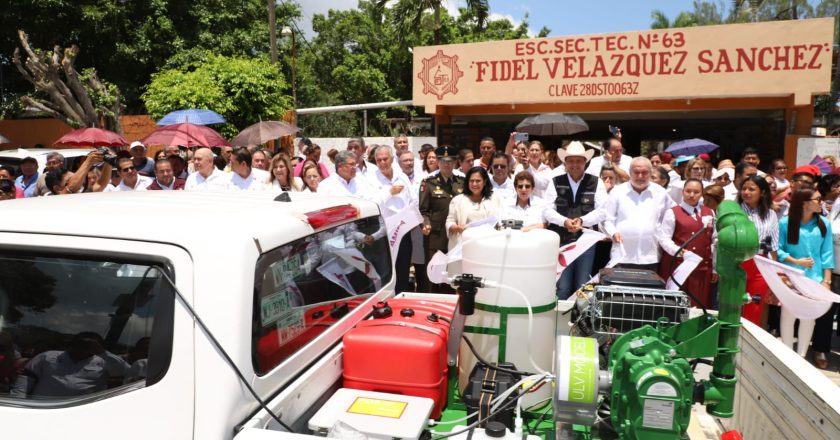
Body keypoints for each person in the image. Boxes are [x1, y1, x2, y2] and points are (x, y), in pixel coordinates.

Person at [544, 142, 607, 299]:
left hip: (585, 241)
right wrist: (564, 221)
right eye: (571, 161)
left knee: (583, 285)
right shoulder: (555, 181)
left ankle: (581, 322)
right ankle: (559, 322)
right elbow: (547, 210)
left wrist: (582, 220)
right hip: (562, 240)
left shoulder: (596, 182)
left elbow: (603, 210)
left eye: (579, 161)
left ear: (585, 162)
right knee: (563, 286)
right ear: (565, 163)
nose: (575, 164)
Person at [778, 188, 834, 361]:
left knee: (808, 318)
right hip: (791, 277)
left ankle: (800, 357)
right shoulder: (785, 223)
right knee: (788, 315)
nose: (821, 202)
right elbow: (778, 249)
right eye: (818, 199)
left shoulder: (824, 223)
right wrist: (796, 262)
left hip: (814, 279)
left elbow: (827, 254)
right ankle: (786, 356)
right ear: (805, 203)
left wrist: (827, 280)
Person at [602, 157, 674, 271]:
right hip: (622, 256)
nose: (640, 176)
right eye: (636, 172)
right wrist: (613, 232)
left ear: (650, 173)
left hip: (651, 257)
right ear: (630, 173)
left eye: (644, 173)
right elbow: (607, 219)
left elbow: (672, 218)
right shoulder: (617, 191)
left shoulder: (661, 193)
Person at [657, 179, 717, 308]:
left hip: (702, 268)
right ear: (683, 192)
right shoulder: (672, 212)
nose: (691, 195)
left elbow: (714, 241)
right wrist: (678, 251)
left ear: (701, 194)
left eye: (696, 192)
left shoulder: (710, 212)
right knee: (675, 304)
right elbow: (664, 238)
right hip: (679, 266)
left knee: (698, 304)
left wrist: (715, 268)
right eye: (688, 191)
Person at [368, 145, 415, 294]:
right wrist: (389, 192)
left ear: (392, 159)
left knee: (402, 268)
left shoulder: (401, 176)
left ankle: (401, 296)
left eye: (385, 159)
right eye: (379, 160)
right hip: (383, 233)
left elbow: (413, 199)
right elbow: (371, 203)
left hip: (403, 230)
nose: (382, 163)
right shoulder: (371, 179)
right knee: (386, 270)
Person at [419, 146, 465, 292]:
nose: (447, 164)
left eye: (450, 161)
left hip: (455, 236)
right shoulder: (429, 182)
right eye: (443, 161)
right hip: (435, 237)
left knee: (452, 274)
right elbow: (423, 210)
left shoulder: (462, 182)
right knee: (433, 274)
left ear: (455, 163)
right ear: (438, 162)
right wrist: (425, 224)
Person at [738, 175, 779, 326]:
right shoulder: (734, 211)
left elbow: (774, 246)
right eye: (744, 189)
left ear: (762, 192)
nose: (746, 192)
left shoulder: (771, 214)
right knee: (735, 304)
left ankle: (747, 346)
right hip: (738, 263)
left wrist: (775, 275)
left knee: (754, 307)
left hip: (761, 265)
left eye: (751, 189)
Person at [446, 166, 500, 252]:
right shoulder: (458, 200)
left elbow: (499, 221)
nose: (474, 184)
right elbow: (450, 221)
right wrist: (456, 227)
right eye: (471, 181)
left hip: (487, 246)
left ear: (485, 182)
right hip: (463, 247)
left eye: (478, 181)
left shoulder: (494, 198)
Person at [398, 149, 429, 292]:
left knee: (420, 262)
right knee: (403, 263)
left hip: (419, 224)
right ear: (399, 163)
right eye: (405, 160)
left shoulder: (424, 178)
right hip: (401, 226)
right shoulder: (395, 178)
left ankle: (422, 291)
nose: (409, 163)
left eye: (411, 160)